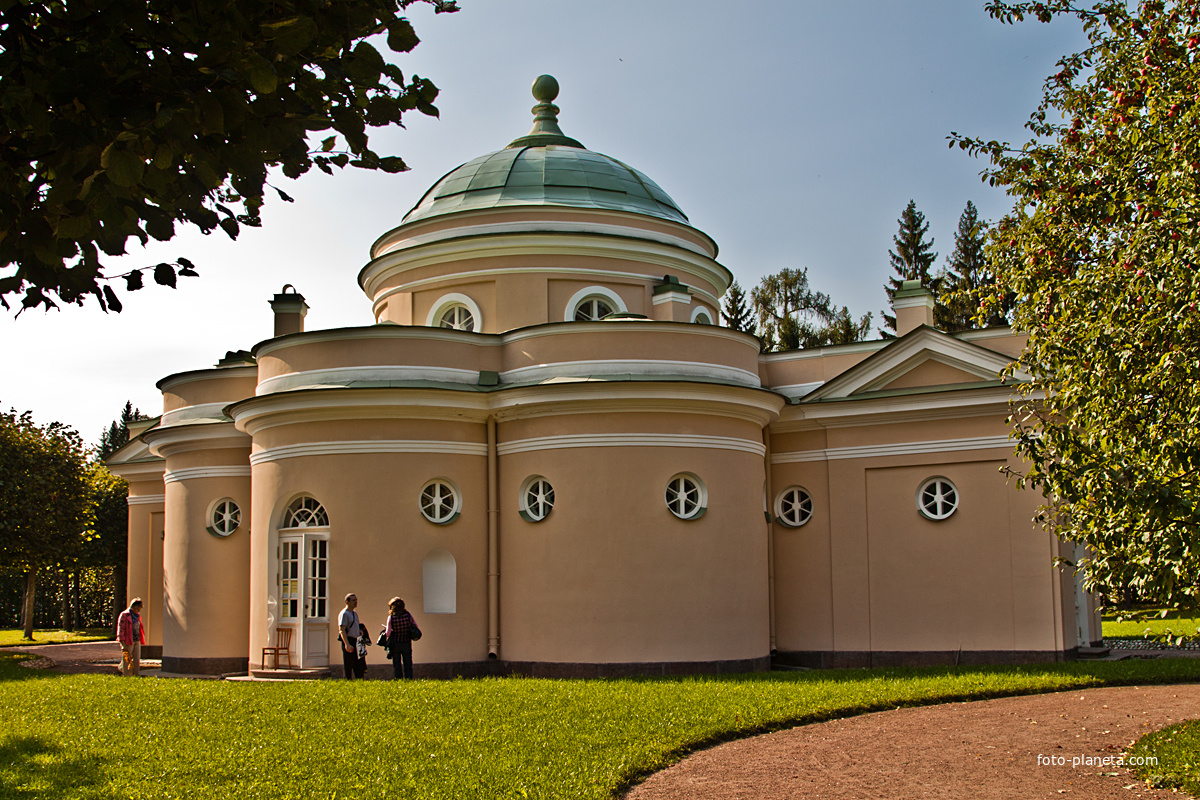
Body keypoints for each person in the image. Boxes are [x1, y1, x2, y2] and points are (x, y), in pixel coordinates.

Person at [384, 596, 420, 680]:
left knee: (397, 663)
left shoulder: (391, 618)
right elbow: (416, 626)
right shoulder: (407, 615)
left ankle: (398, 679)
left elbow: (388, 633)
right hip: (406, 642)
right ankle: (409, 678)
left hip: (396, 643)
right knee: (408, 662)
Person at [337, 593, 367, 679]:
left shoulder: (354, 613)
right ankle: (348, 680)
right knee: (349, 663)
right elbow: (342, 629)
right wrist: (347, 644)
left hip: (356, 640)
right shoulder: (344, 614)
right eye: (353, 600)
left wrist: (359, 631)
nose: (356, 602)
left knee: (359, 663)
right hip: (349, 640)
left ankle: (359, 679)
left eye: (356, 600)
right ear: (347, 602)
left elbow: (354, 625)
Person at [116, 598, 145, 676]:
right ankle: (126, 675)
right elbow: (121, 628)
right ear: (133, 606)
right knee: (127, 659)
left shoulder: (137, 616)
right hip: (128, 640)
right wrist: (122, 641)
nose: (139, 610)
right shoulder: (125, 615)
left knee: (136, 659)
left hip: (137, 639)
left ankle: (135, 674)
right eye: (138, 608)